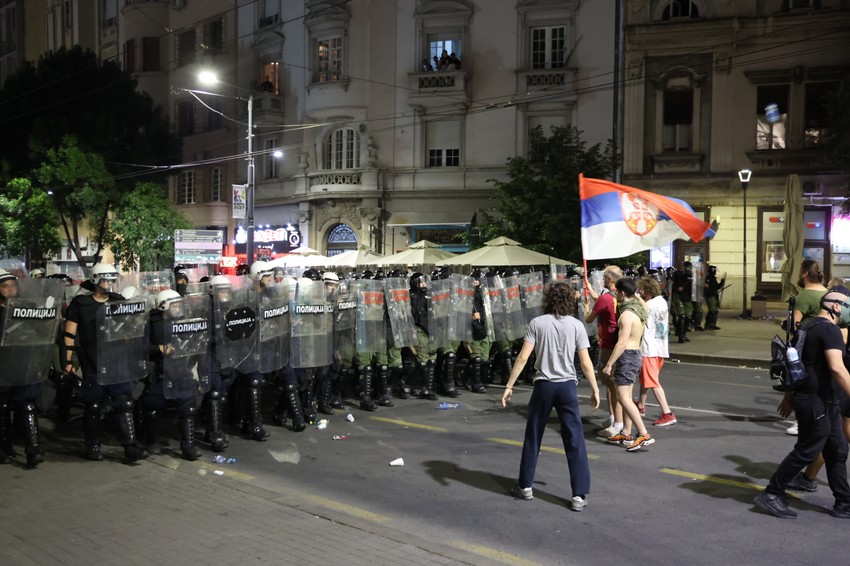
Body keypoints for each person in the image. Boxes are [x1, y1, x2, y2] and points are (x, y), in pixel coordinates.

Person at [502, 282, 600, 512]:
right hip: (567, 386)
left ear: (547, 300)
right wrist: (595, 389)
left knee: (534, 435)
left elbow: (523, 358)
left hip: (544, 384)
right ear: (569, 301)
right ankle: (578, 495)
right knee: (574, 439)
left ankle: (525, 486)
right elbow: (585, 363)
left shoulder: (537, 323)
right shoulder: (577, 325)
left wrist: (509, 385)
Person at [754, 286, 850, 519]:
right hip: (816, 400)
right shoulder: (830, 330)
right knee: (808, 450)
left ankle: (844, 502)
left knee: (837, 449)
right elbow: (837, 368)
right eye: (847, 305)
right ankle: (771, 493)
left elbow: (798, 365)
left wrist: (789, 398)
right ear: (836, 307)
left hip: (820, 399)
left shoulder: (807, 326)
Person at [63, 263, 149, 463]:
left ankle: (130, 446)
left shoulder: (119, 301)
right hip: (92, 362)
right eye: (106, 278)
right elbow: (69, 335)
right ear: (95, 279)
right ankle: (92, 445)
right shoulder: (81, 304)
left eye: (112, 279)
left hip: (118, 361)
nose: (110, 283)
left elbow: (131, 329)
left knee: (125, 403)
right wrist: (68, 361)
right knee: (93, 405)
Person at [602, 278, 656, 451]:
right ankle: (626, 432)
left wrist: (609, 364)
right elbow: (643, 304)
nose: (615, 295)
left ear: (622, 293)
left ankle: (643, 434)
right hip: (635, 355)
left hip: (627, 356)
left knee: (623, 398)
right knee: (627, 396)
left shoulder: (626, 315)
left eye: (617, 292)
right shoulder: (640, 309)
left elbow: (621, 343)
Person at [785, 260, 829, 436]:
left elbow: (796, 326)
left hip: (807, 346)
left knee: (802, 382)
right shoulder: (827, 292)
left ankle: (801, 422)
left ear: (804, 273)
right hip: (825, 344)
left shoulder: (804, 296)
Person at [584, 265, 623, 438]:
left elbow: (589, 318)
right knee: (610, 383)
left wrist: (585, 308)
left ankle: (618, 424)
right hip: (619, 342)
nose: (602, 281)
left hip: (608, 344)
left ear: (610, 279)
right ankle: (613, 417)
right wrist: (590, 288)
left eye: (605, 278)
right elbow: (601, 302)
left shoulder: (606, 297)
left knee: (612, 384)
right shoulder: (620, 295)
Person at [636, 276, 677, 426]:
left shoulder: (650, 304)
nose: (640, 293)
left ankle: (667, 413)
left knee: (652, 381)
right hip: (660, 347)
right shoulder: (662, 301)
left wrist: (634, 296)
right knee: (645, 379)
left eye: (641, 290)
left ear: (647, 290)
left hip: (649, 348)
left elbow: (643, 310)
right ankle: (641, 405)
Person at [671, 261, 694, 343]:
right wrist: (677, 287)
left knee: (688, 316)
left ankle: (684, 334)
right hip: (678, 296)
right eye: (686, 267)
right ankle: (680, 336)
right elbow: (671, 283)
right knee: (682, 315)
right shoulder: (677, 274)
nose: (687, 269)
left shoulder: (692, 275)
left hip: (687, 297)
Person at [703, 265, 723, 331]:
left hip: (714, 296)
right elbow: (706, 287)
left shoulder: (713, 278)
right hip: (710, 296)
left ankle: (713, 324)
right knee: (711, 311)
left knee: (715, 311)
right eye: (714, 270)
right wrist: (711, 292)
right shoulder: (708, 278)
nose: (715, 272)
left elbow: (716, 287)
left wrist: (721, 283)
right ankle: (708, 325)